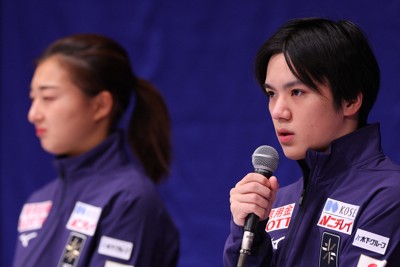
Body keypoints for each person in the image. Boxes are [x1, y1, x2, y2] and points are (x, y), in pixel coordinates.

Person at [223, 18, 400, 267]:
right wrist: (246, 233)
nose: (278, 111)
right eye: (272, 94)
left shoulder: (388, 196)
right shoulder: (280, 201)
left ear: (350, 100)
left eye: (297, 92)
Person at [13, 34, 179, 267]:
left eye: (48, 97)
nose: (33, 114)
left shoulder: (128, 199)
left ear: (100, 105)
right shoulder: (38, 201)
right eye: (33, 98)